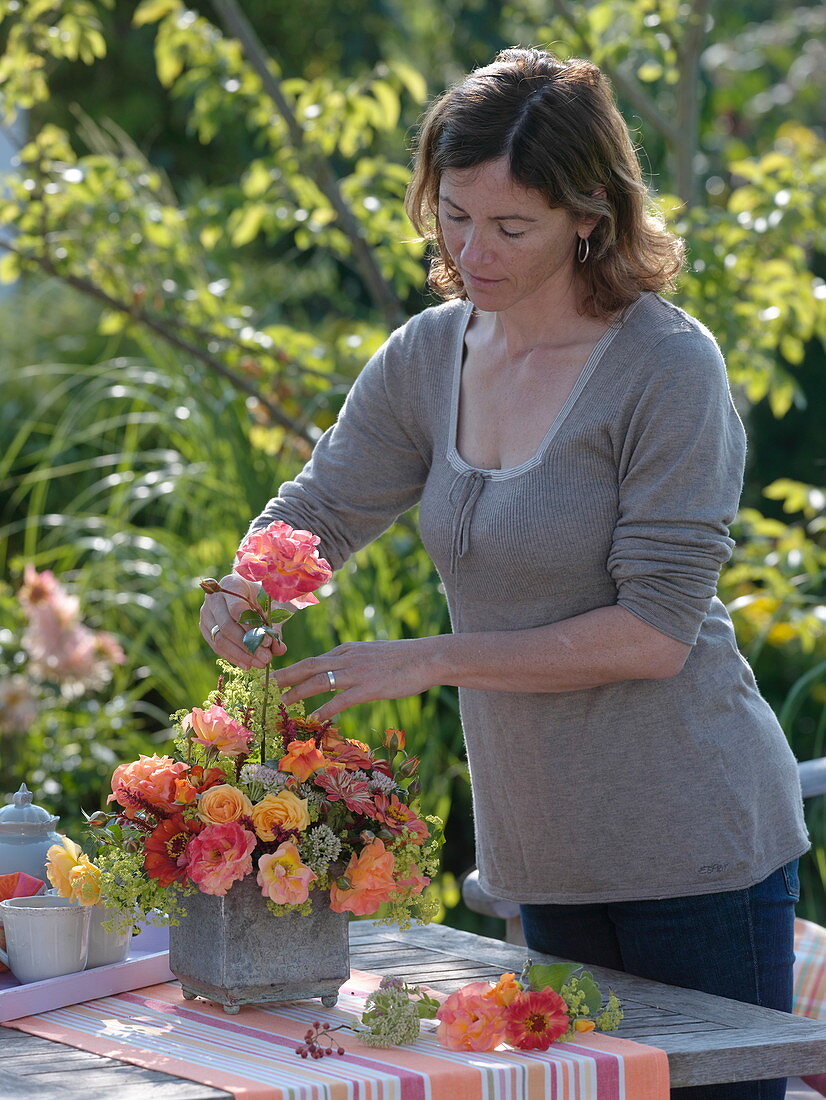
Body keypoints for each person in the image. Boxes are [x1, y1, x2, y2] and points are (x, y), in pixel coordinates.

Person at [201, 48, 809, 1099]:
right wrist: (247, 583)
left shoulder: (668, 367)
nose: (470, 250)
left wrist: (425, 658)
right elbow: (321, 509)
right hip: (541, 851)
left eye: (509, 226)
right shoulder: (429, 355)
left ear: (590, 214)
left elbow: (653, 633)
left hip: (695, 842)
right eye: (453, 214)